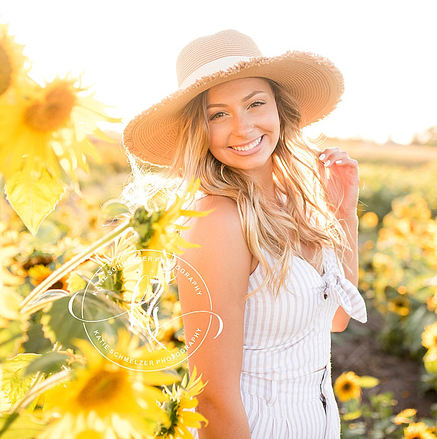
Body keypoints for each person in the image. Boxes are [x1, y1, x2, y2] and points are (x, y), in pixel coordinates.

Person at [123, 30, 367, 438]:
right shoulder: (217, 222)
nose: (242, 127)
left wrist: (344, 215)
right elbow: (212, 399)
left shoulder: (296, 204)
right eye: (218, 114)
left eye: (255, 104)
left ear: (279, 109)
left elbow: (336, 319)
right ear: (199, 129)